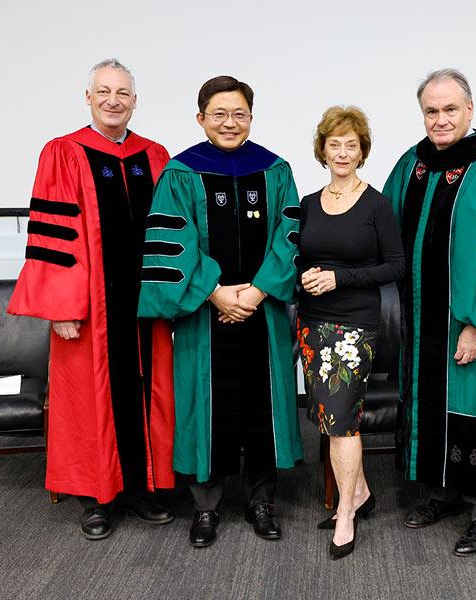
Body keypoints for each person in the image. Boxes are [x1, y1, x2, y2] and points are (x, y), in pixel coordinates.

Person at [8, 58, 175, 540]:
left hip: (146, 308)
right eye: (103, 91)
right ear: (88, 97)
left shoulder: (156, 156)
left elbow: (171, 234)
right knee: (91, 400)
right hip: (90, 310)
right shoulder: (63, 153)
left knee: (148, 393)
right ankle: (96, 498)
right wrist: (61, 308)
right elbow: (52, 237)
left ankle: (144, 488)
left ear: (135, 100)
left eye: (122, 92)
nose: (113, 100)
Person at [137, 75, 303, 549]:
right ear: (201, 118)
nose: (230, 123)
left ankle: (261, 500)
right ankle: (205, 508)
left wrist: (256, 292)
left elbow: (289, 234)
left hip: (261, 312)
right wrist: (214, 292)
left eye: (240, 114)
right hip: (205, 317)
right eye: (220, 114)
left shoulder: (275, 170)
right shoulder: (181, 172)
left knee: (262, 403)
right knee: (202, 405)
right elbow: (174, 240)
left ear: (251, 117)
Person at [382, 68, 476, 556]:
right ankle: (440, 494)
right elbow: (381, 227)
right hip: (420, 321)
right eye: (431, 110)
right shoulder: (412, 163)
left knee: (473, 406)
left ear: (470, 110)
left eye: (450, 109)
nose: (440, 119)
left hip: (470, 324)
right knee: (427, 404)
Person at [297, 106, 404, 559]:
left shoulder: (376, 204)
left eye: (351, 145)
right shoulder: (307, 203)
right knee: (327, 416)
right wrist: (305, 276)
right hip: (311, 321)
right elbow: (300, 256)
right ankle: (359, 493)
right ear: (322, 150)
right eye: (334, 144)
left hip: (353, 326)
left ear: (362, 151)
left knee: (342, 422)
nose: (342, 152)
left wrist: (341, 279)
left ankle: (346, 515)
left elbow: (395, 266)